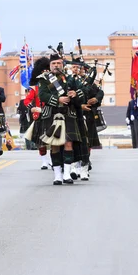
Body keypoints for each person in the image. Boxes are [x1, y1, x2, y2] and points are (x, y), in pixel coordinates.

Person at [38, 51, 85, 185]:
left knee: (68, 143)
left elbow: (83, 91)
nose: (56, 65)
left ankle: (67, 174)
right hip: (52, 114)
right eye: (53, 63)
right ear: (50, 65)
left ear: (62, 64)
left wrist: (75, 93)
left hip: (68, 114)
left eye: (58, 63)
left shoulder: (71, 78)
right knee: (55, 145)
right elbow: (42, 95)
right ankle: (57, 175)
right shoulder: (43, 79)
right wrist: (58, 99)